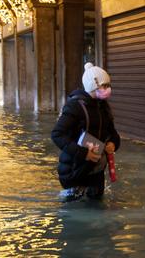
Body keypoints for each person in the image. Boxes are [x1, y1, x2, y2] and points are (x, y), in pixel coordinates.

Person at [51, 63, 121, 202]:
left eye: (108, 85)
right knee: (74, 210)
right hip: (74, 170)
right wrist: (84, 153)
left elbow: (113, 133)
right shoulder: (74, 106)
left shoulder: (103, 107)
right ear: (93, 86)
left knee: (97, 209)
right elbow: (57, 135)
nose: (108, 89)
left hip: (97, 170)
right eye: (104, 85)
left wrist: (113, 143)